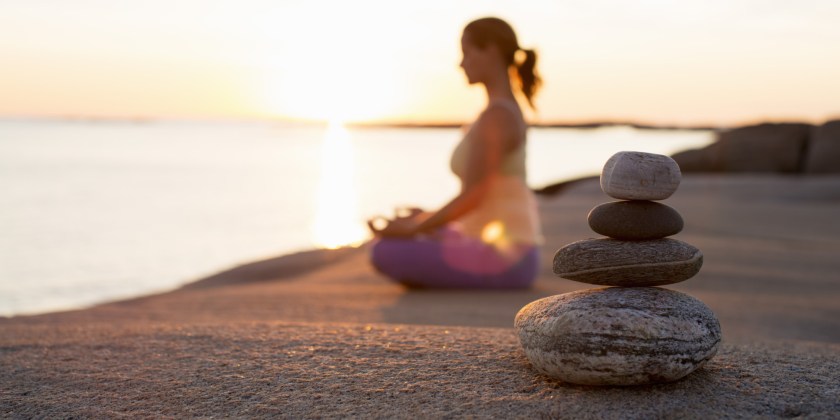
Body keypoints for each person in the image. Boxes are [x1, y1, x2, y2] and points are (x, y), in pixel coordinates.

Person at [368, 17, 543, 289]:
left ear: (492, 50)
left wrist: (415, 228)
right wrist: (424, 217)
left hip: (507, 257)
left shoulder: (498, 116)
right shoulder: (499, 111)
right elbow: (478, 199)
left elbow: (474, 196)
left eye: (467, 52)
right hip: (493, 244)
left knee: (384, 251)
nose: (461, 63)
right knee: (408, 234)